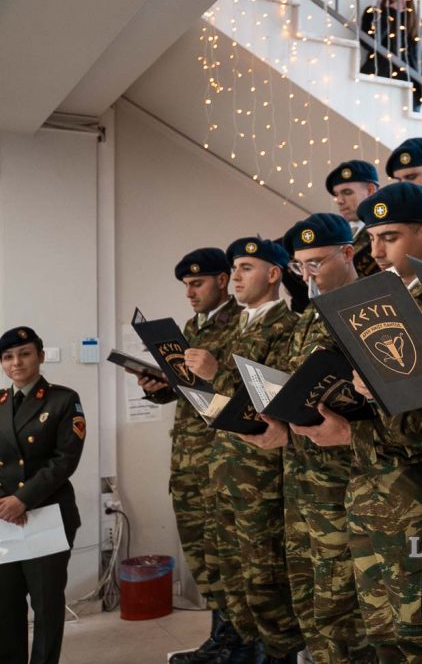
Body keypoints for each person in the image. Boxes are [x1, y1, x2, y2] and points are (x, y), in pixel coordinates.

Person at [248, 214, 374, 664]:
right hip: (302, 478)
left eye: (317, 262)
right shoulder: (308, 317)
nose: (309, 275)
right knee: (312, 597)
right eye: (301, 267)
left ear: (348, 252)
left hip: (348, 481)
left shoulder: (371, 308)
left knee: (348, 608)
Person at [345, 183, 422, 662]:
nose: (377, 251)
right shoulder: (372, 305)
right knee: (384, 629)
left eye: (389, 236)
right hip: (372, 485)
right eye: (371, 239)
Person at [135, 248, 244, 664]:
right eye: (185, 285)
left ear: (222, 280)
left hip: (224, 460)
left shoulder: (241, 325)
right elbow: (188, 390)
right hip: (188, 459)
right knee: (203, 557)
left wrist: (217, 372)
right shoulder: (191, 327)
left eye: (196, 283)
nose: (189, 293)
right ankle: (219, 637)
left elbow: (244, 393)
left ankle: (238, 643)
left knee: (229, 556)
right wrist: (156, 387)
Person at [202, 238, 303, 663]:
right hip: (227, 469)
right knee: (235, 577)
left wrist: (215, 371)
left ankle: (279, 655)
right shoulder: (237, 325)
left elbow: (271, 400)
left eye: (246, 267)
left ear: (274, 273)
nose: (236, 276)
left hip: (262, 474)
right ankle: (247, 651)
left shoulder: (289, 325)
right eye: (234, 267)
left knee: (266, 582)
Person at [0, 327, 87, 664]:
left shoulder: (63, 399)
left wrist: (23, 499)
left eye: (24, 353)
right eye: (8, 357)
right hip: (5, 518)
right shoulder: (1, 403)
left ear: (40, 356)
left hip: (48, 514)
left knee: (46, 605)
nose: (16, 362)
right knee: (5, 604)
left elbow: (66, 458)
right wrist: (6, 503)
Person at [360, 0, 422, 112]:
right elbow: (368, 42)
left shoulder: (417, 23)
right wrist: (390, 13)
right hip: (380, 79)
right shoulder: (373, 12)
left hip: (411, 89)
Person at [325, 160, 381, 278]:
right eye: (336, 195)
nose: (339, 201)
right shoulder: (336, 234)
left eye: (347, 192)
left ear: (370, 190)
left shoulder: (385, 228)